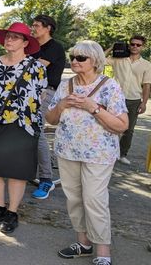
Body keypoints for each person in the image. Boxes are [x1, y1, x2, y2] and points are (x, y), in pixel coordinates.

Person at [47, 40, 128, 265]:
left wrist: (93, 107)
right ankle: (83, 243)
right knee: (74, 199)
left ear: (95, 61)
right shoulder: (66, 85)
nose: (74, 61)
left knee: (94, 199)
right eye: (73, 57)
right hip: (67, 151)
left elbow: (122, 125)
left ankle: (103, 252)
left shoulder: (109, 86)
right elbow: (51, 119)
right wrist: (62, 105)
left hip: (99, 154)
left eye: (81, 58)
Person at [0, 22, 47, 234]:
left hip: (23, 124)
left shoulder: (36, 67)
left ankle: (12, 212)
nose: (9, 40)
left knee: (17, 173)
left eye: (15, 37)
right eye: (8, 36)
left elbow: (41, 96)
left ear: (26, 43)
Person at [30, 14, 65, 199]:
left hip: (47, 92)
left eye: (36, 25)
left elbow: (37, 68)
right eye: (32, 25)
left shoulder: (54, 47)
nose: (33, 28)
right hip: (28, 91)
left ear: (48, 28)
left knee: (37, 130)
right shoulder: (31, 47)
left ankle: (46, 179)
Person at [105, 35, 151, 165]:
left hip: (134, 100)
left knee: (128, 129)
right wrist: (112, 47)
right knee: (109, 125)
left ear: (143, 47)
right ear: (129, 44)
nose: (135, 47)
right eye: (132, 44)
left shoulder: (147, 65)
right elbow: (99, 60)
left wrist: (144, 102)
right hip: (115, 98)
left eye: (138, 45)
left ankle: (122, 154)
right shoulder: (118, 59)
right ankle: (107, 152)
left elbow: (147, 85)